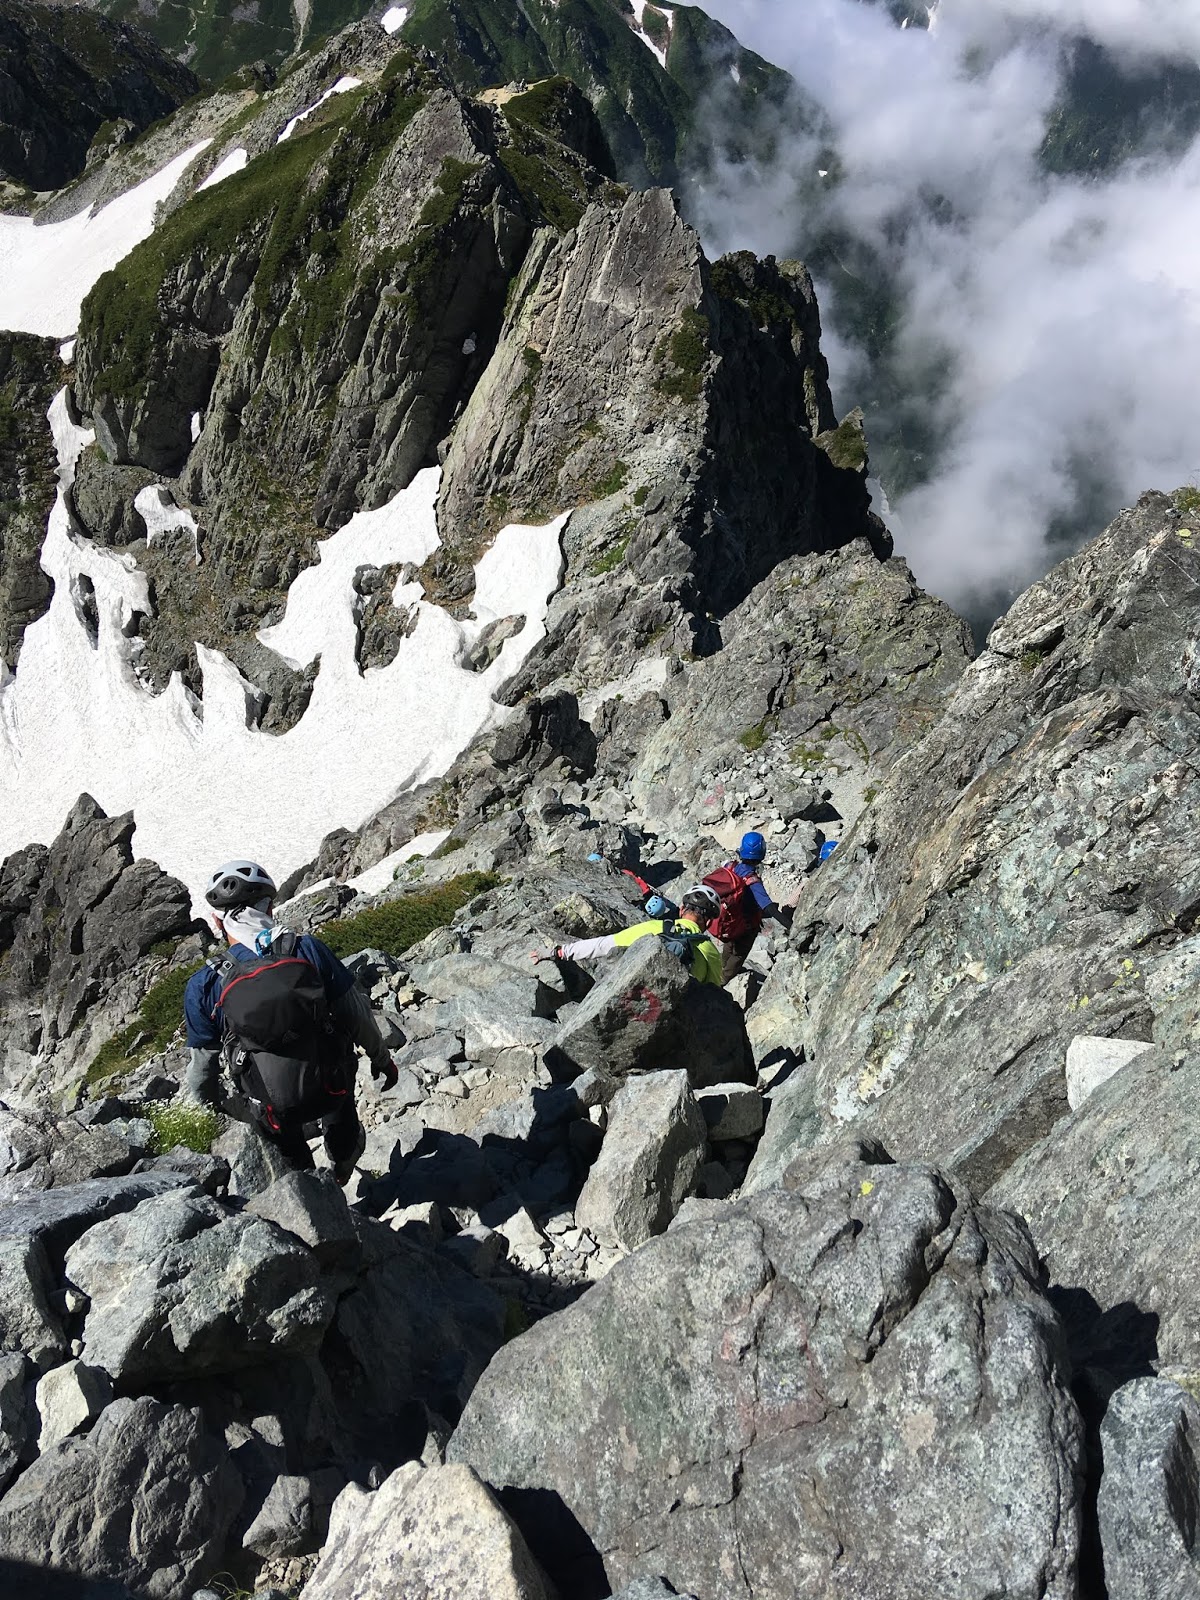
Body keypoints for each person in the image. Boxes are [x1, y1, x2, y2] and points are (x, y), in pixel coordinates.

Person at [184, 859, 398, 1185]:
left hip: (268, 1103)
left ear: (216, 921)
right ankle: (342, 1162)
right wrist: (382, 1059)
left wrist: (208, 1118)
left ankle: (308, 1188)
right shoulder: (306, 949)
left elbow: (202, 1069)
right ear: (270, 907)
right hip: (331, 1084)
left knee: (288, 1156)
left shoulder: (204, 984)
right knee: (340, 1088)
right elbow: (355, 1014)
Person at [531, 885, 723, 984]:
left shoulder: (655, 927)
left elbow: (602, 945)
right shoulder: (710, 952)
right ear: (708, 923)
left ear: (681, 909)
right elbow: (714, 997)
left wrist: (557, 952)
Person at [702, 830, 794, 984]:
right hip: (746, 924)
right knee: (739, 953)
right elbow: (768, 907)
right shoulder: (752, 880)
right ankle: (723, 979)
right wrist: (791, 926)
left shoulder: (731, 867)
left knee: (730, 943)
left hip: (730, 918)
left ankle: (720, 967)